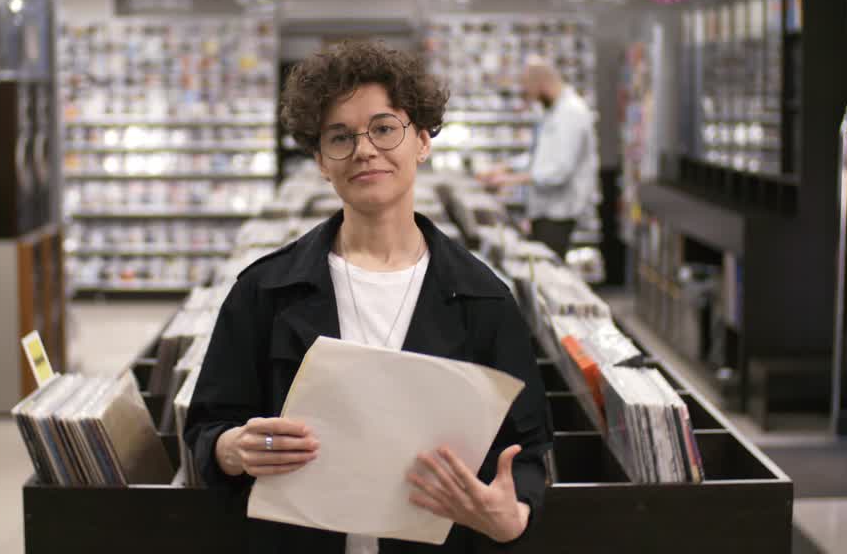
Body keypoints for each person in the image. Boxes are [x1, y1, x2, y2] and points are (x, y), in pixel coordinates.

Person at [185, 40, 552, 554]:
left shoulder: (484, 298)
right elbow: (206, 428)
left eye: (384, 128)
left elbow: (529, 450)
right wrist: (232, 449)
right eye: (339, 137)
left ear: (422, 140)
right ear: (319, 160)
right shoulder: (263, 292)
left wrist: (512, 517)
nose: (363, 150)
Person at [478, 57, 599, 260]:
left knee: (550, 266)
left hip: (559, 212)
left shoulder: (571, 113)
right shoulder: (553, 112)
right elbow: (541, 158)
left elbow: (559, 171)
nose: (530, 97)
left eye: (529, 90)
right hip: (545, 211)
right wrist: (505, 167)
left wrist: (512, 180)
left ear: (541, 83)